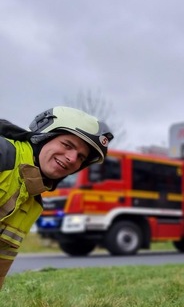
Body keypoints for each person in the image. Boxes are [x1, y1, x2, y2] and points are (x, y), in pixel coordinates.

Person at [0, 106, 113, 289]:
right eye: (67, 145)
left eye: (80, 157)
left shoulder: (33, 204)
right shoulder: (3, 155)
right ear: (43, 137)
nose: (72, 159)